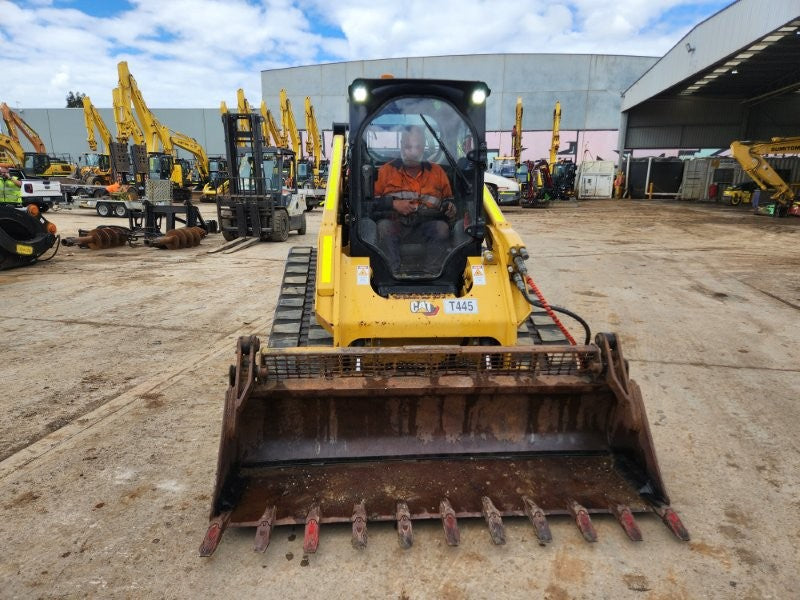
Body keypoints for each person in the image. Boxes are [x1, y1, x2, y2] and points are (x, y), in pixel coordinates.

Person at [372, 125, 456, 269]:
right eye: (407, 147)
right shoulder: (385, 172)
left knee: (442, 228)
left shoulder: (437, 172)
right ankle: (393, 273)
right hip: (395, 224)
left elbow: (449, 200)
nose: (412, 152)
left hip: (427, 224)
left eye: (417, 147)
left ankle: (432, 273)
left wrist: (450, 207)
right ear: (401, 146)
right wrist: (393, 204)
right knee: (384, 227)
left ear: (424, 147)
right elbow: (371, 204)